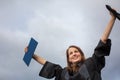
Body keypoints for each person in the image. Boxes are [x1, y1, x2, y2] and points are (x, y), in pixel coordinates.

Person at [24, 7, 118, 80]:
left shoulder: (92, 62)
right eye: (71, 53)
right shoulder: (64, 73)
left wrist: (112, 18)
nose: (74, 54)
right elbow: (48, 64)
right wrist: (32, 55)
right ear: (69, 59)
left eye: (76, 51)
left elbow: (103, 41)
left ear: (81, 54)